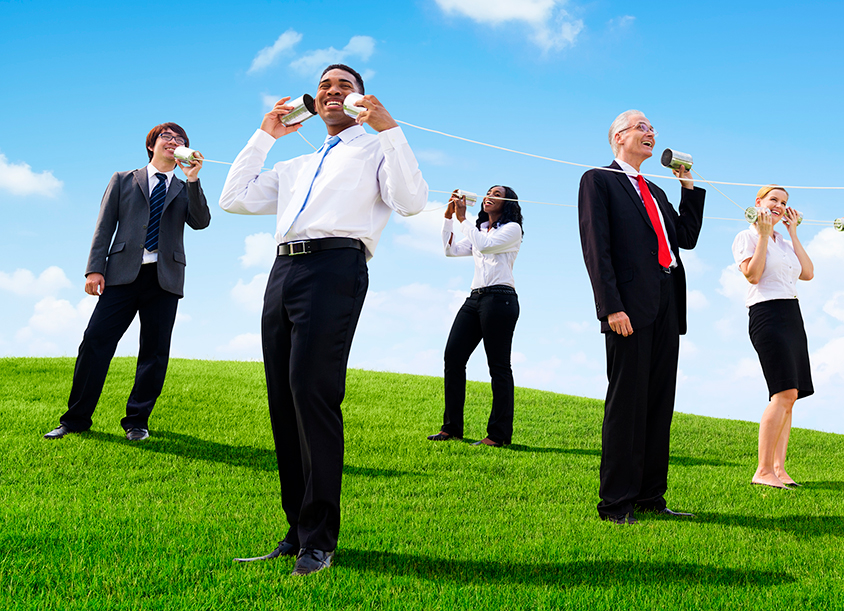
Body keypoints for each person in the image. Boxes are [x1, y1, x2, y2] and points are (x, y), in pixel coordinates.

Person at [220, 64, 429, 575]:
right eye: (324, 87)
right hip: (283, 271)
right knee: (284, 400)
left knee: (313, 396)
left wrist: (390, 129)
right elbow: (233, 198)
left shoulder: (376, 149)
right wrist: (265, 136)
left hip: (335, 267)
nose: (332, 92)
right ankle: (296, 532)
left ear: (360, 99)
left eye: (344, 86)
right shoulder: (297, 163)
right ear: (314, 103)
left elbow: (411, 202)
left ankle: (319, 541)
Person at [578, 109, 706, 524]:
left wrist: (687, 187)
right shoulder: (598, 180)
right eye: (641, 127)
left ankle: (652, 497)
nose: (650, 132)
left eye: (651, 128)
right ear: (618, 136)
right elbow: (596, 247)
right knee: (627, 404)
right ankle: (616, 504)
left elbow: (686, 238)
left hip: (668, 301)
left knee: (658, 403)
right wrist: (610, 306)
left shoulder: (656, 191)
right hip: (628, 307)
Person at [44, 123, 209, 442]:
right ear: (151, 145)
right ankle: (75, 419)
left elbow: (200, 222)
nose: (173, 142)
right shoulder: (122, 179)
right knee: (95, 342)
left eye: (180, 139)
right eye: (167, 137)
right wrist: (94, 269)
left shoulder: (183, 186)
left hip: (164, 278)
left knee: (154, 352)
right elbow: (104, 224)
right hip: (120, 275)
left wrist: (193, 179)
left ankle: (137, 421)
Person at [732, 185, 814, 489]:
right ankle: (763, 469)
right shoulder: (747, 237)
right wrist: (764, 235)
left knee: (792, 395)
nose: (779, 205)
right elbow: (753, 275)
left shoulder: (785, 242)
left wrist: (793, 233)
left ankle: (779, 468)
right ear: (759, 203)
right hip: (767, 314)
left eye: (784, 202)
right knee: (782, 393)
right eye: (773, 200)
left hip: (792, 314)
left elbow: (808, 273)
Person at [428, 186, 523, 447]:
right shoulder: (480, 229)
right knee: (453, 357)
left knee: (498, 367)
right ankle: (451, 428)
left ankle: (498, 435)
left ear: (507, 202)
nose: (489, 196)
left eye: (497, 194)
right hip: (475, 299)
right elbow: (450, 250)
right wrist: (449, 218)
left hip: (500, 299)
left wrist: (462, 218)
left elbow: (485, 246)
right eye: (488, 192)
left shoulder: (512, 229)